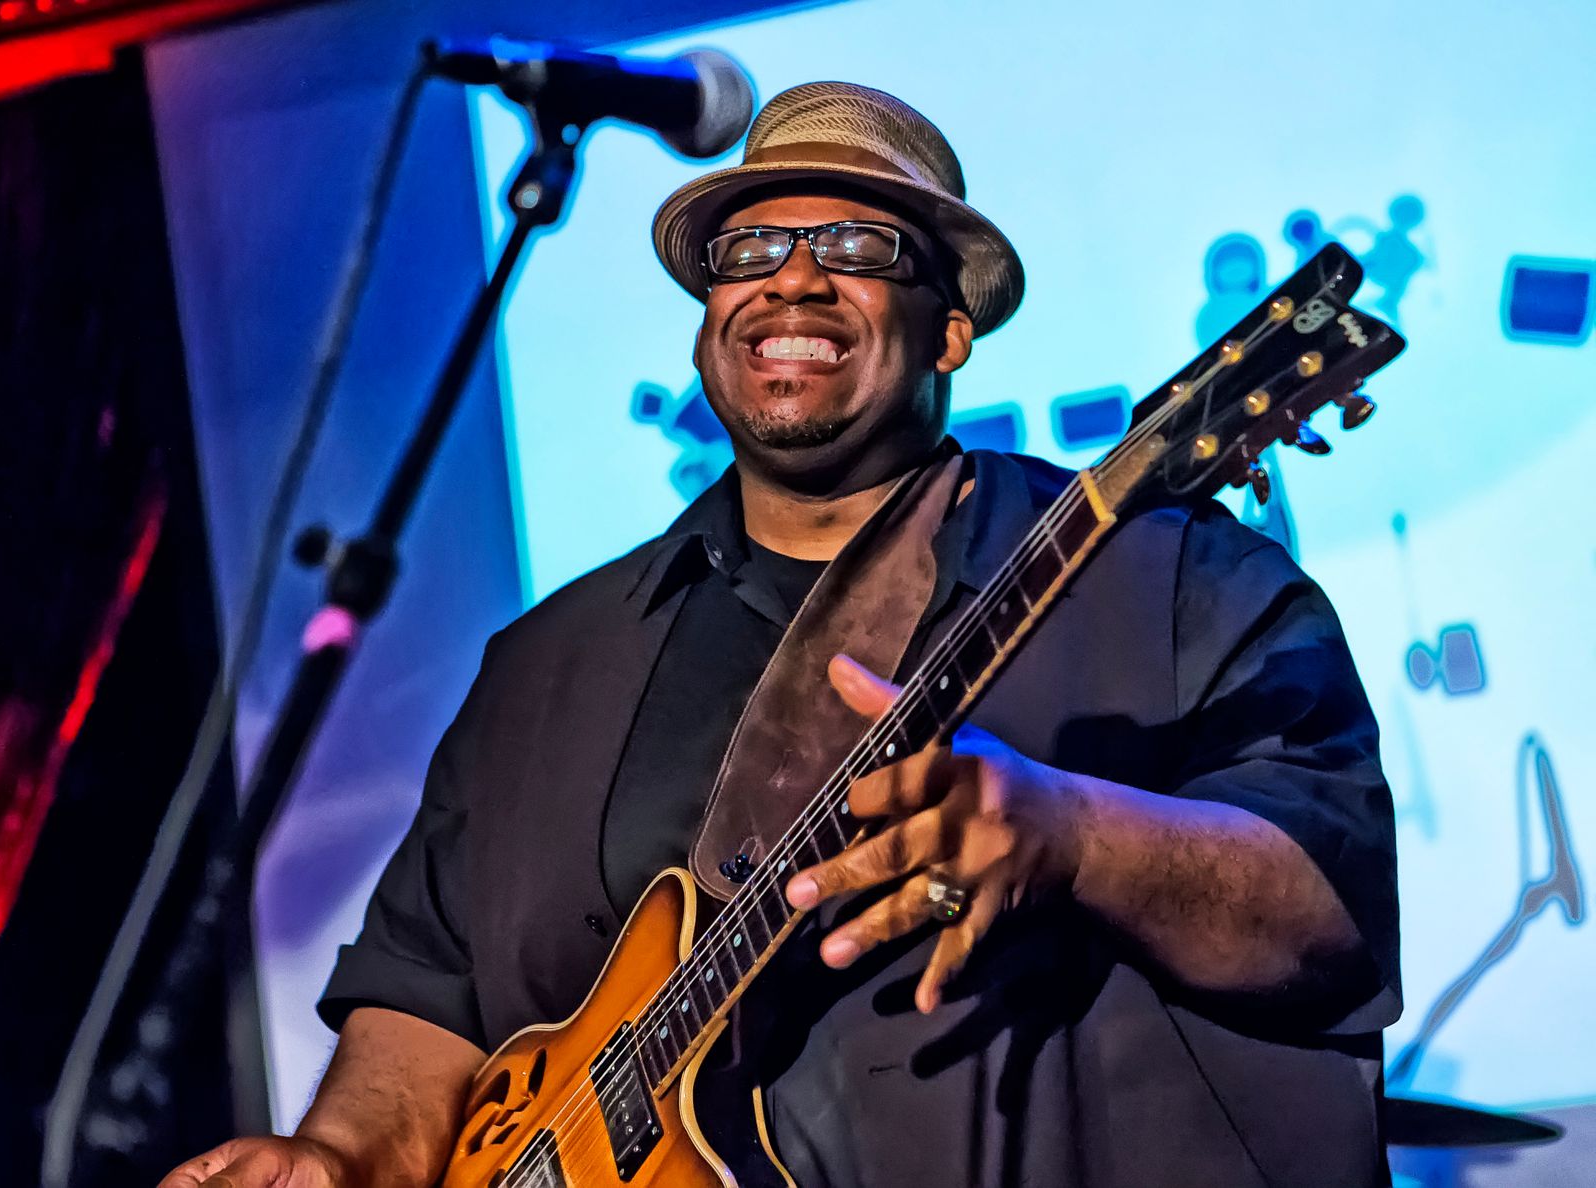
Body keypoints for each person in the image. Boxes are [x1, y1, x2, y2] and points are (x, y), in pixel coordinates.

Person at [161, 81, 1400, 1188]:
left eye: (857, 245)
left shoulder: (1172, 582)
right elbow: (425, 996)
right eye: (750, 248)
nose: (792, 280)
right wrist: (335, 1156)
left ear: (950, 329)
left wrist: (1073, 834)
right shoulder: (544, 666)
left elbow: (1332, 912)